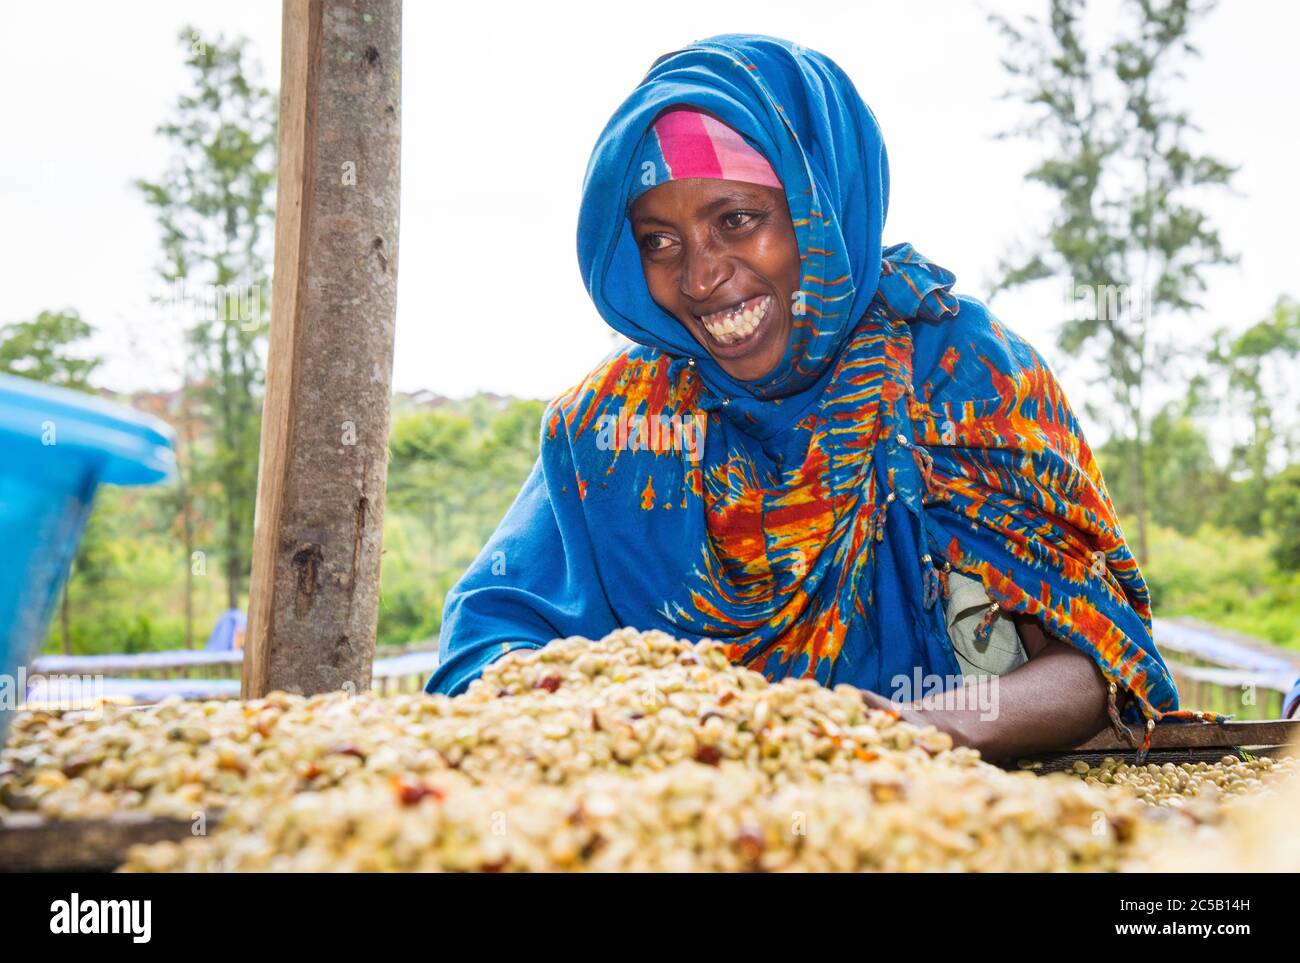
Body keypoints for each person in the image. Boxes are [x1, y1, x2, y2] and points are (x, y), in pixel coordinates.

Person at [425, 33, 1210, 760]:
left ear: (820, 209)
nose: (700, 276)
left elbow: (1092, 659)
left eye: (738, 219)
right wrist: (618, 721)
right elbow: (488, 643)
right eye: (659, 240)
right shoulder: (615, 427)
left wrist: (909, 734)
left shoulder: (961, 377)